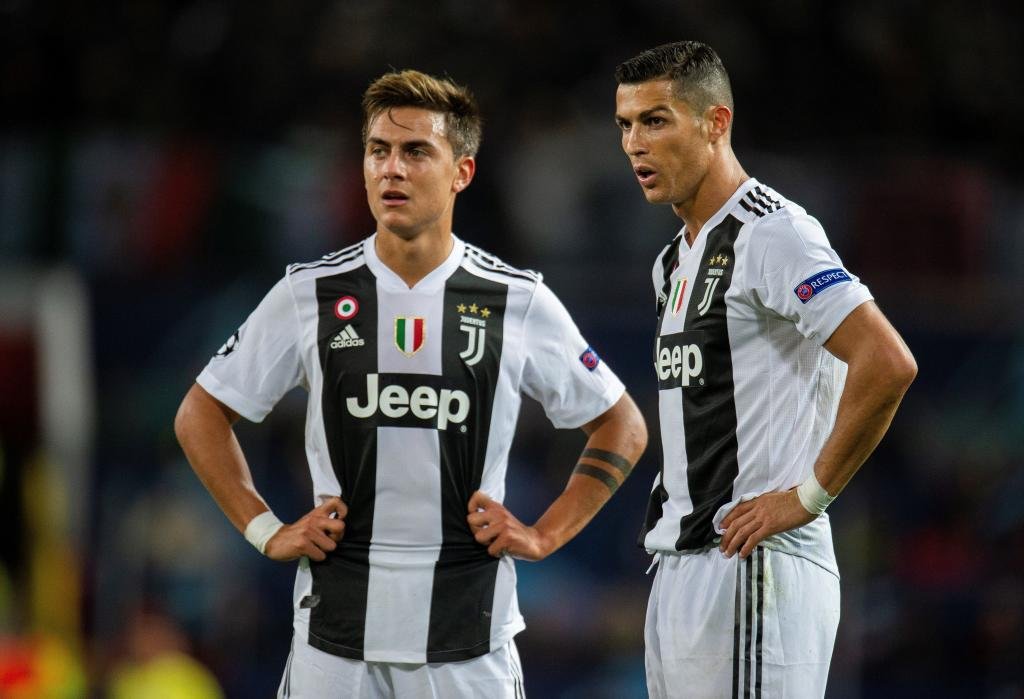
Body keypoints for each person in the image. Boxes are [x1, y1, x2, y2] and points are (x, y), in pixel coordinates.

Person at [174, 69, 647, 699]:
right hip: (332, 644)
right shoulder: (310, 293)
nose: (392, 169)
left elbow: (622, 424)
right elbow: (200, 414)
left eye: (416, 151)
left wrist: (545, 533)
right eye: (379, 150)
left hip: (468, 644)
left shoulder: (516, 299)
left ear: (462, 173)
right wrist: (264, 529)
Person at [613, 42, 917, 698]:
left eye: (656, 120)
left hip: (756, 567)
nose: (635, 143)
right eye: (626, 124)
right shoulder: (671, 262)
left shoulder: (774, 232)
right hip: (680, 568)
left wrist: (808, 498)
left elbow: (886, 361)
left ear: (715, 123)